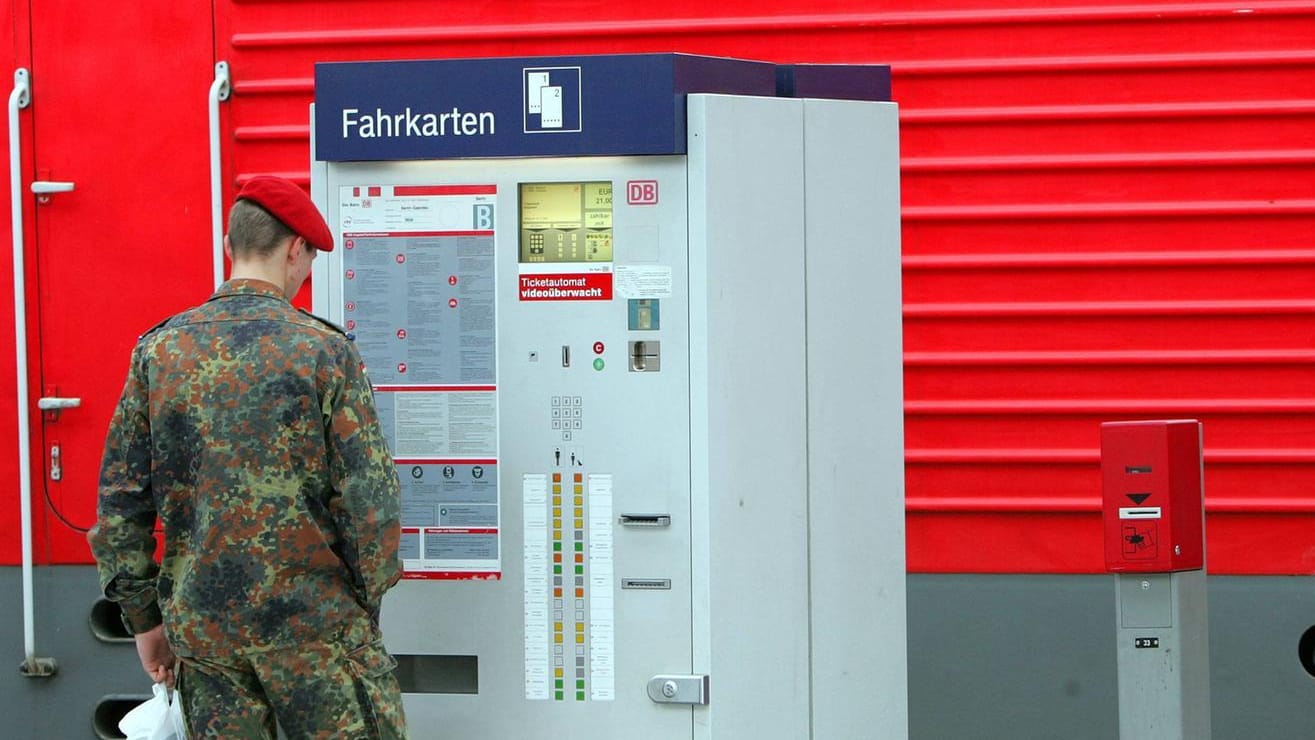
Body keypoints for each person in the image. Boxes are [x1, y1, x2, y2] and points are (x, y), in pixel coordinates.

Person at [89, 176, 408, 738]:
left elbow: (120, 508)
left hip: (207, 640)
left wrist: (146, 622)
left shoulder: (158, 352)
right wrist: (364, 601)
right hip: (317, 630)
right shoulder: (325, 352)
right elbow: (370, 503)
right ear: (295, 249)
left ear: (230, 248)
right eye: (309, 257)